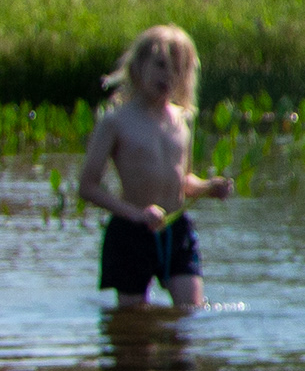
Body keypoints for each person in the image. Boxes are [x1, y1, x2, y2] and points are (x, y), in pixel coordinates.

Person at [78, 24, 230, 311]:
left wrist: (209, 188)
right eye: (161, 65)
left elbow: (181, 180)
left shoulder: (182, 121)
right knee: (132, 321)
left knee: (190, 312)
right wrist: (137, 214)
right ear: (138, 67)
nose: (168, 75)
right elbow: (87, 187)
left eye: (178, 69)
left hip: (176, 229)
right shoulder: (116, 122)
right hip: (131, 231)